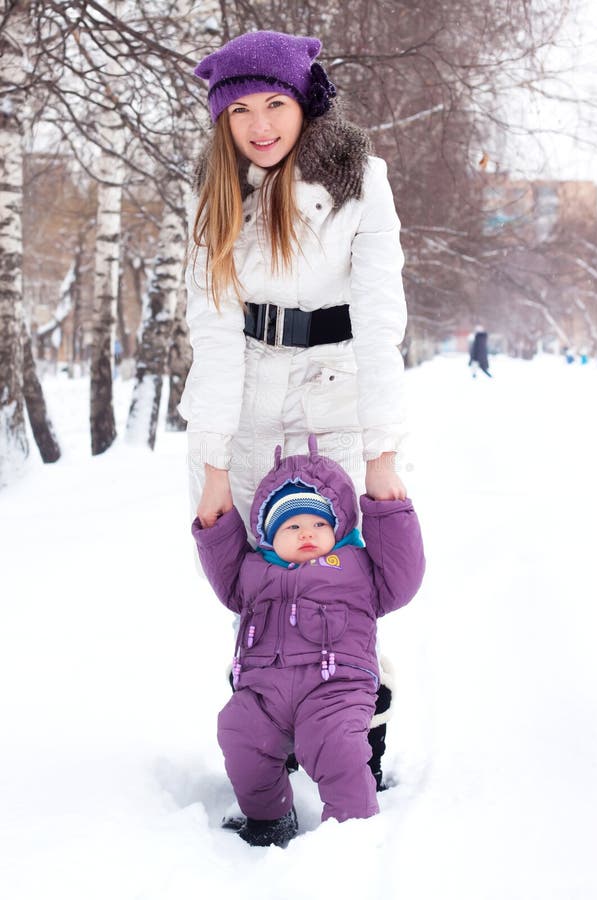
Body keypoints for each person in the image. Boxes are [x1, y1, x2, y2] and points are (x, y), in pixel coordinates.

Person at [179, 30, 409, 799]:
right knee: (261, 591)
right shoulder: (215, 189)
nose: (260, 125)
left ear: (305, 102)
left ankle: (359, 740)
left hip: (337, 398)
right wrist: (213, 463)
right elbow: (213, 333)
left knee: (340, 587)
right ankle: (267, 750)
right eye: (240, 110)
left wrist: (382, 450)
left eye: (275, 103)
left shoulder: (359, 180)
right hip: (245, 402)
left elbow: (380, 322)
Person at [192, 436, 426, 846]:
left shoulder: (357, 567)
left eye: (320, 524)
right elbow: (222, 563)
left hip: (336, 688)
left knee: (338, 748)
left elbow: (402, 577)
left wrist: (388, 509)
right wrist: (217, 525)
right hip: (264, 692)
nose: (307, 533)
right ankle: (270, 816)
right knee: (238, 733)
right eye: (292, 525)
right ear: (268, 534)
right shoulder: (250, 572)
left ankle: (352, 831)